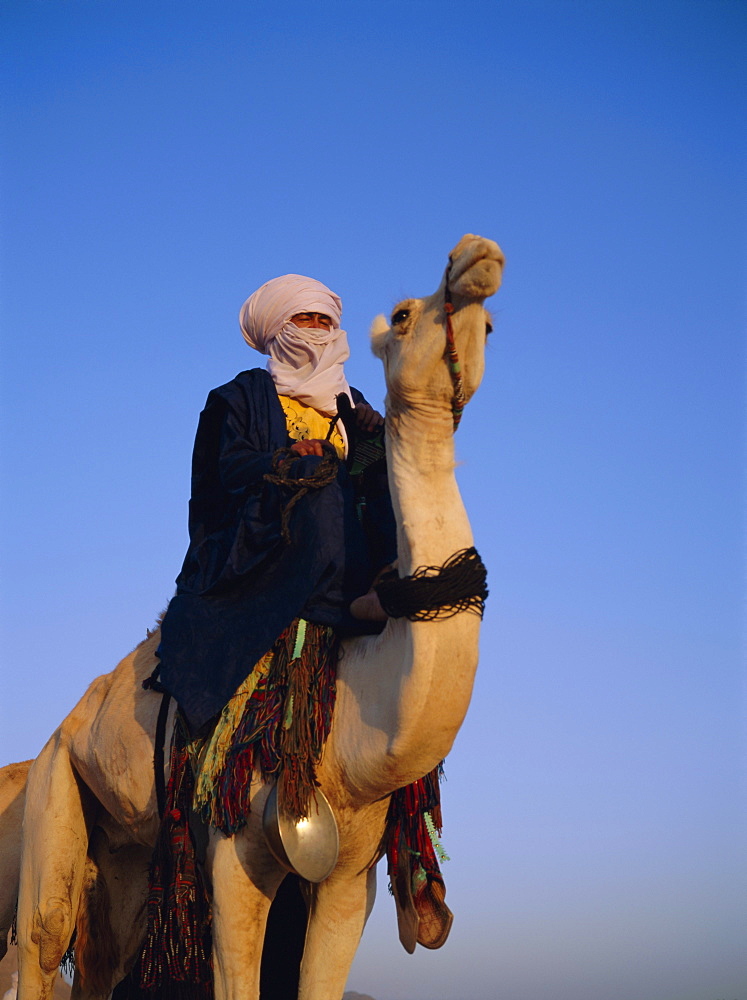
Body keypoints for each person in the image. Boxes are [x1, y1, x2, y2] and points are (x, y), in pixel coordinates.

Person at [156, 274, 395, 733]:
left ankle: (382, 580)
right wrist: (284, 458)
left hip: (352, 536)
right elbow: (227, 470)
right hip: (264, 537)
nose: (316, 329)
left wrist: (369, 439)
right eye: (303, 318)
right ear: (278, 329)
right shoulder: (239, 396)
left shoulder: (352, 401)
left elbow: (368, 480)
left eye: (324, 321)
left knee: (391, 463)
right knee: (318, 479)